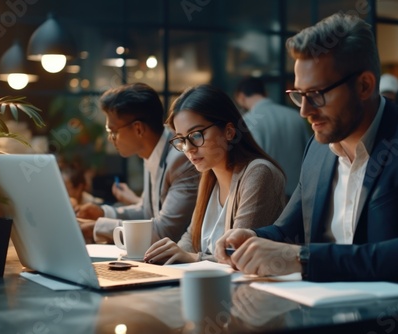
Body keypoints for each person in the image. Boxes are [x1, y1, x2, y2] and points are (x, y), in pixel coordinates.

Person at [215, 12, 398, 294]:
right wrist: (251, 237)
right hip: (327, 312)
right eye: (299, 94)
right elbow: (288, 230)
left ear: (364, 85)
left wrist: (303, 259)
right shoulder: (318, 148)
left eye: (317, 95)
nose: (304, 110)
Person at [143, 84, 286, 264]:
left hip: (251, 288)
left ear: (229, 131)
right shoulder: (209, 176)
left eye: (195, 135)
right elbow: (190, 238)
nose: (188, 149)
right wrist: (171, 254)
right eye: (181, 139)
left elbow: (238, 255)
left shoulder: (258, 173)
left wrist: (192, 258)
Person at [76, 83, 200, 244]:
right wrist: (102, 212)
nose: (110, 138)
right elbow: (147, 212)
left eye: (113, 131)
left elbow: (164, 231)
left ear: (138, 129)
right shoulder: (153, 151)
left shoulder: (180, 159)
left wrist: (96, 228)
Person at [234, 76, 312, 199]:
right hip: (299, 194)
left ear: (241, 97)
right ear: (265, 93)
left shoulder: (247, 122)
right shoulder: (295, 115)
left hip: (269, 196)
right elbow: (310, 155)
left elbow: (251, 164)